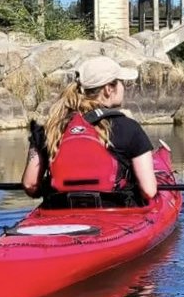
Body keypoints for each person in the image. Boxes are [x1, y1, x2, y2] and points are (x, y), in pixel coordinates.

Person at [22, 56, 158, 206]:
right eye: (121, 82)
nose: (123, 87)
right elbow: (149, 190)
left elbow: (30, 185)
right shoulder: (129, 128)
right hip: (115, 213)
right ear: (108, 89)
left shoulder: (50, 127)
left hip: (60, 210)